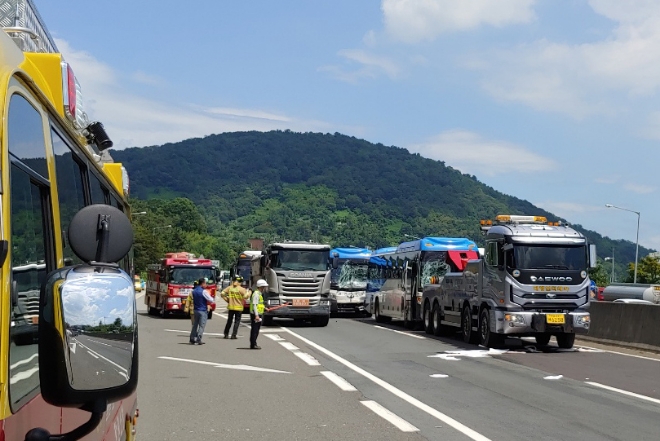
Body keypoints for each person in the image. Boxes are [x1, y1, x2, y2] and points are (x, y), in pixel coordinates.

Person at [189, 278, 214, 345]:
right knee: (202, 325)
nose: (206, 285)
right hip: (202, 310)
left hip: (196, 309)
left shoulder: (194, 291)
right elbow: (211, 300)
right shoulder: (204, 291)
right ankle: (198, 338)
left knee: (195, 324)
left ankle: (192, 338)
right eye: (205, 283)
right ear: (202, 283)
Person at [250, 279, 269, 349]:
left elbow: (259, 304)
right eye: (264, 287)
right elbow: (255, 305)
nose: (265, 288)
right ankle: (253, 344)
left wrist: (264, 308)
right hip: (255, 314)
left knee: (256, 330)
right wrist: (256, 315)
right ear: (261, 287)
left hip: (258, 313)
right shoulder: (256, 294)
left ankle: (254, 343)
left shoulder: (259, 294)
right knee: (255, 330)